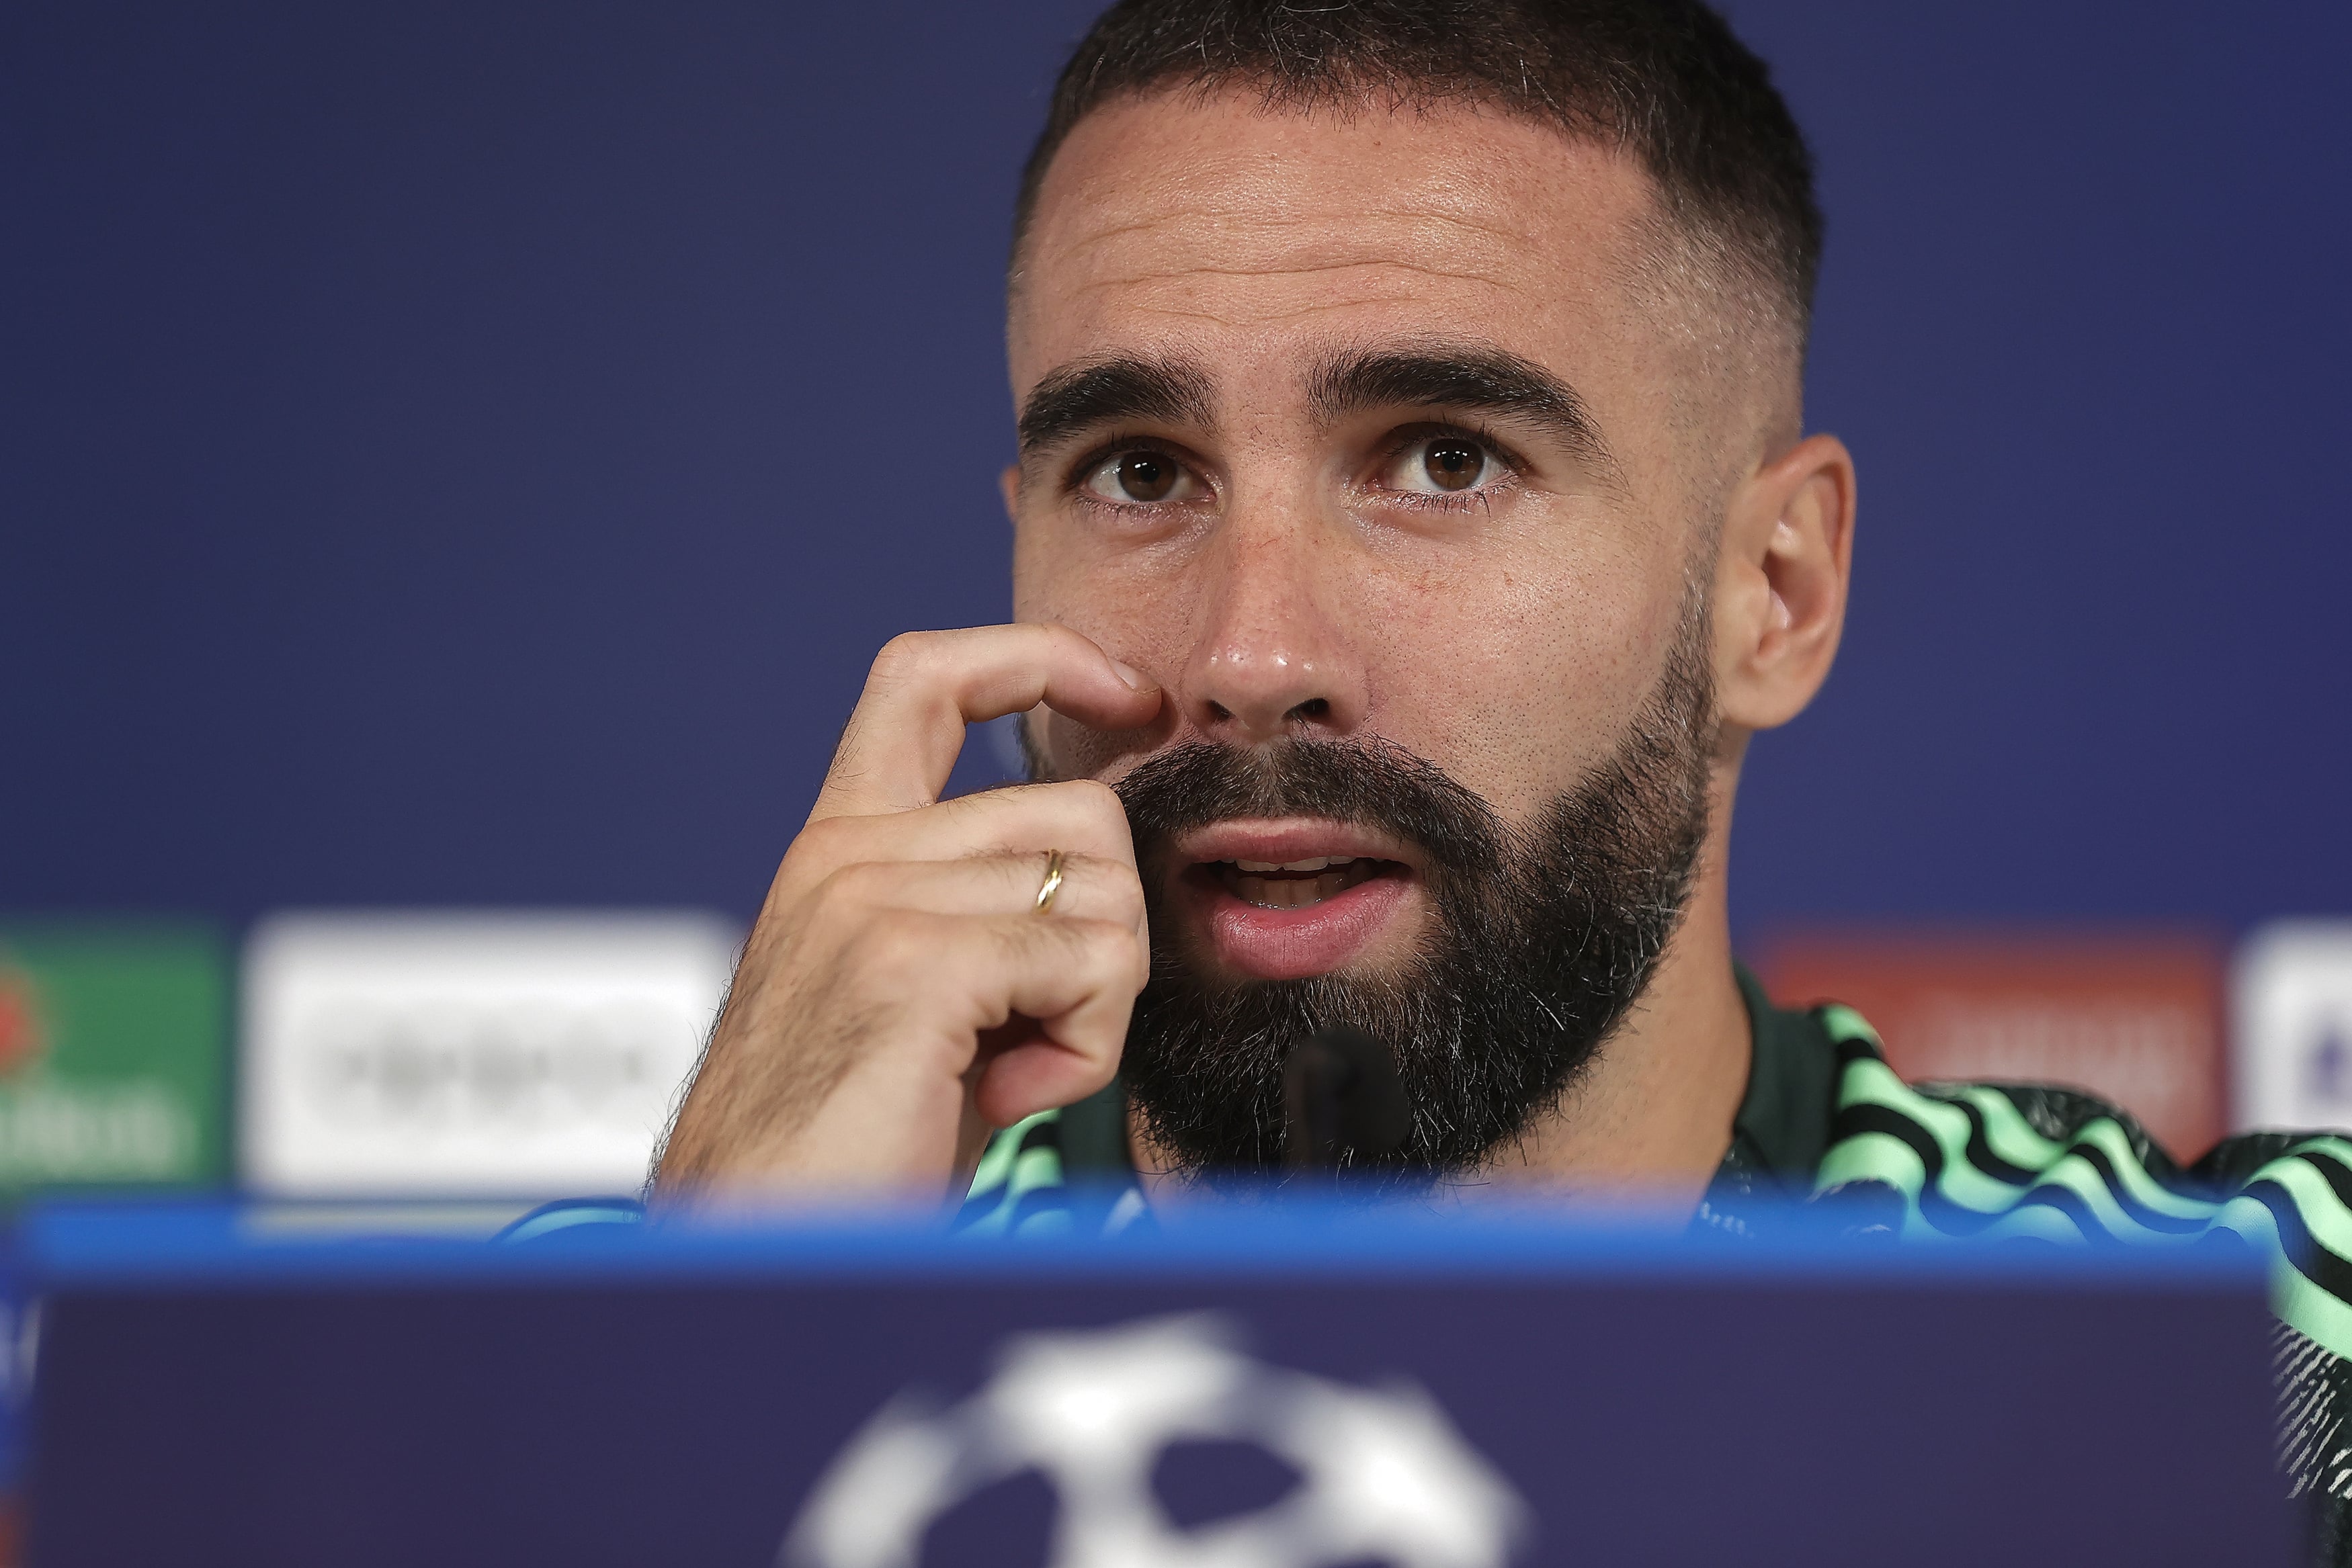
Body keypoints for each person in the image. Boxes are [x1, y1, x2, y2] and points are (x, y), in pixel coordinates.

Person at [520, 0, 2351, 1551]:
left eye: (1444, 460)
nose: (1252, 660)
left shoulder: (2261, 1346)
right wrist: (723, 1385)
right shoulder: (514, 1376)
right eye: (1142, 473)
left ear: (1770, 593)